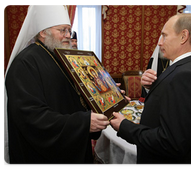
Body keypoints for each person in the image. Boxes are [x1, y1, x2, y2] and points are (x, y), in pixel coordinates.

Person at [2, 3, 110, 164]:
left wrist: (105, 96)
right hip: (43, 157)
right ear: (43, 33)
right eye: (62, 30)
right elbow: (32, 118)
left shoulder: (59, 57)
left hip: (70, 147)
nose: (68, 35)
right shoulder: (24, 64)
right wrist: (83, 123)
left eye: (69, 30)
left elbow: (75, 97)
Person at [110, 13, 191, 164]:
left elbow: (171, 143)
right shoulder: (185, 68)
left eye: (164, 36)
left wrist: (124, 126)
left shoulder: (188, 76)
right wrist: (151, 87)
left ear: (183, 36)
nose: (159, 43)